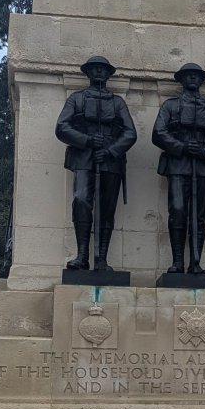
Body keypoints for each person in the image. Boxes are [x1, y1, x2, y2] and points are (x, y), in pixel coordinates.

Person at [54, 55, 137, 271]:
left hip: (110, 161)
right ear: (88, 72)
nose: (99, 72)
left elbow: (130, 133)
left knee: (106, 209)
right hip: (83, 157)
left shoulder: (117, 102)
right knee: (81, 201)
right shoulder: (77, 99)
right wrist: (88, 140)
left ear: (109, 74)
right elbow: (62, 127)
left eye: (103, 69)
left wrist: (110, 151)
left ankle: (101, 258)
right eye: (95, 69)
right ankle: (82, 255)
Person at [151, 63, 205, 275]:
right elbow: (158, 133)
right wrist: (183, 147)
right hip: (178, 165)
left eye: (197, 76)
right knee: (177, 211)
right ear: (182, 79)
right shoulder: (170, 106)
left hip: (203, 166)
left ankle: (195, 262)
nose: (193, 79)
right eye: (189, 75)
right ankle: (177, 261)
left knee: (199, 216)